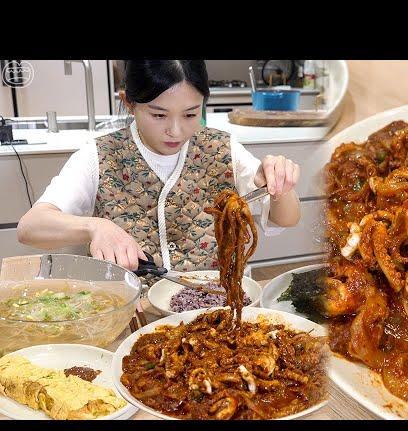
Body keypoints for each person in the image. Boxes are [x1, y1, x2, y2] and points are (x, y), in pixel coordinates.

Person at [17, 60, 301, 276]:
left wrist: (281, 188)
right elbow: (30, 227)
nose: (176, 131)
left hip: (219, 310)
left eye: (191, 114)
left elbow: (286, 218)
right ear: (128, 102)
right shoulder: (100, 155)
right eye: (158, 114)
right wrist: (95, 227)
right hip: (135, 317)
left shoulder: (222, 148)